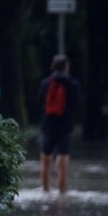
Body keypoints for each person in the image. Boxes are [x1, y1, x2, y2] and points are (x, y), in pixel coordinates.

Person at [35, 54, 82, 193]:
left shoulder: (45, 84)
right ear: (67, 67)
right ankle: (62, 193)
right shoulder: (72, 84)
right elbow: (77, 102)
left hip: (48, 126)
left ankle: (45, 191)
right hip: (65, 127)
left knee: (45, 161)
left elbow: (39, 101)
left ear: (52, 67)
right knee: (63, 163)